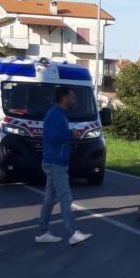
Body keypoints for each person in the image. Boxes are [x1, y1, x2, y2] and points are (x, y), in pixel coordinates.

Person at [35, 86, 91, 246]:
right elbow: (52, 137)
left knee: (50, 199)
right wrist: (70, 134)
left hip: (55, 161)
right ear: (64, 98)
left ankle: (42, 232)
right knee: (66, 197)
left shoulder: (59, 114)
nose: (75, 100)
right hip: (55, 162)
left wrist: (69, 134)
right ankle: (73, 232)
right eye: (72, 97)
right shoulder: (55, 115)